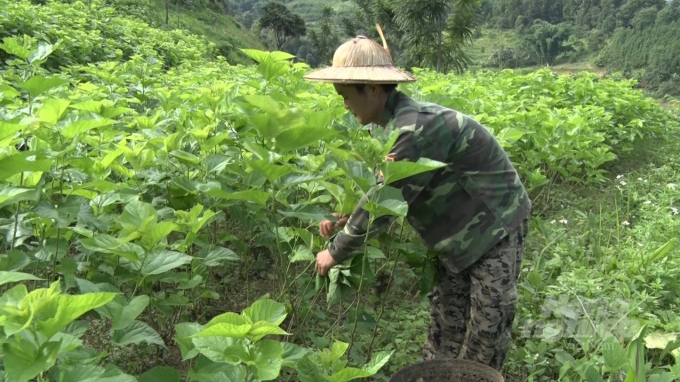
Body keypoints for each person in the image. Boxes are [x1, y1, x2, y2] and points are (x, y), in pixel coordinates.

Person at [303, 35, 531, 372]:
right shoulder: (387, 127)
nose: (345, 106)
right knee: (447, 324)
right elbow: (383, 186)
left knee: (486, 327)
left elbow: (385, 198)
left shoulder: (413, 128)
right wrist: (349, 215)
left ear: (374, 90)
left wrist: (336, 250)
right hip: (455, 232)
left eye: (347, 96)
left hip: (494, 227)